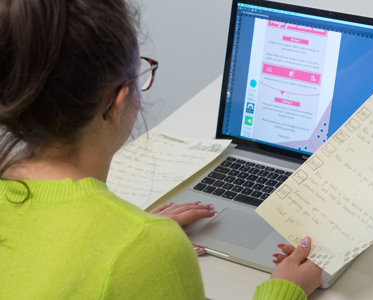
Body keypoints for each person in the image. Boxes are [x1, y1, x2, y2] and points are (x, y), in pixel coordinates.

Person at [0, 0, 322, 299]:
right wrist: (285, 289)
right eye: (141, 71)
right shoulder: (151, 251)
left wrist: (131, 229)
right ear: (117, 103)